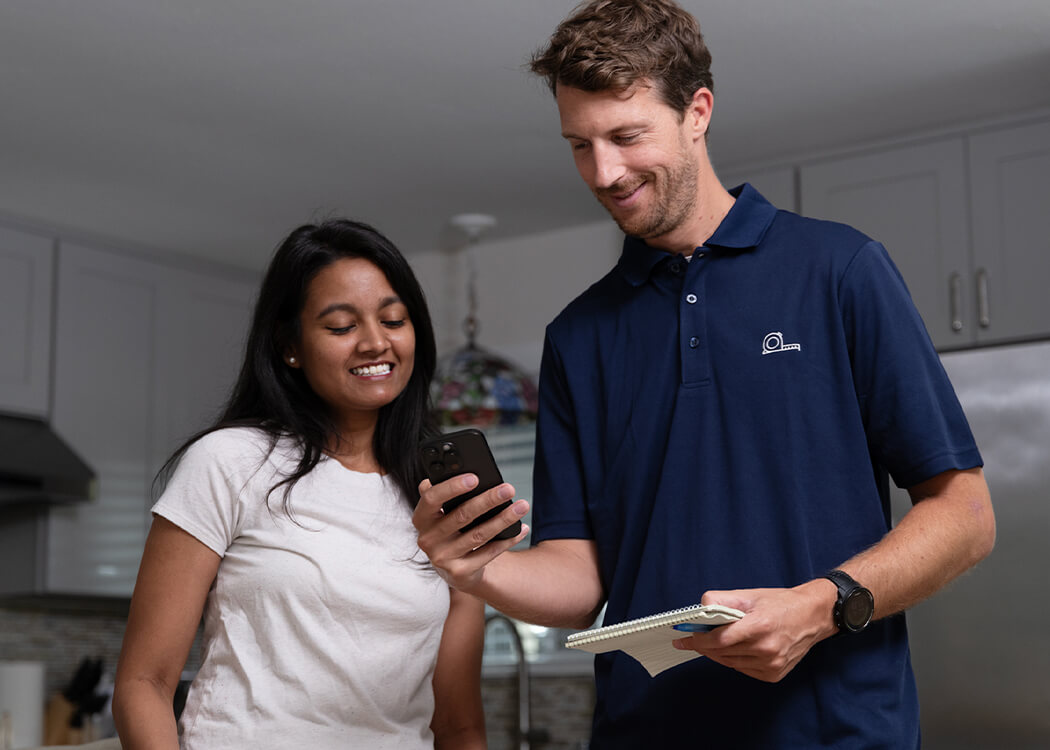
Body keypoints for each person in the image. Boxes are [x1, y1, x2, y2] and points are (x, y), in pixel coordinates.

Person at [413, 1, 996, 747]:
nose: (604, 172)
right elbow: (580, 577)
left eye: (626, 136)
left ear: (697, 111)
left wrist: (824, 604)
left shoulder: (839, 269)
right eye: (580, 145)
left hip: (836, 731)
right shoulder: (579, 336)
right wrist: (475, 571)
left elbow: (966, 517)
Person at [113, 219, 487, 750]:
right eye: (341, 327)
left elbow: (458, 725)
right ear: (291, 346)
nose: (375, 342)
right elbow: (143, 683)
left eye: (394, 319)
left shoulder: (443, 497)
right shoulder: (231, 461)